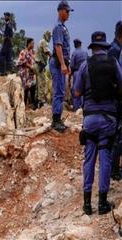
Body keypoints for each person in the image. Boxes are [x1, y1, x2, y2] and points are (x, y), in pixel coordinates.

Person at [74, 31, 122, 215]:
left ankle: (87, 204)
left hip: (90, 119)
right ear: (105, 48)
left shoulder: (85, 66)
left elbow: (77, 93)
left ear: (93, 48)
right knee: (105, 159)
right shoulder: (114, 63)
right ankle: (102, 203)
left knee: (89, 159)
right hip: (109, 118)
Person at [50, 0, 73, 133]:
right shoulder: (58, 27)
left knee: (62, 91)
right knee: (58, 91)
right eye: (67, 11)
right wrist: (63, 64)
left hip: (62, 62)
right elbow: (58, 46)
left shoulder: (63, 26)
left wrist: (66, 64)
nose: (69, 13)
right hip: (58, 62)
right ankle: (55, 120)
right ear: (60, 11)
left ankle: (58, 118)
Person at [108, 21, 122, 181]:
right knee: (118, 133)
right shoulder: (115, 50)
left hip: (115, 97)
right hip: (117, 99)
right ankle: (114, 169)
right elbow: (116, 78)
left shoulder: (114, 49)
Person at [17, 38, 37, 108]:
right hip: (25, 73)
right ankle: (24, 104)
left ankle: (33, 104)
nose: (33, 45)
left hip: (31, 74)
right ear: (29, 44)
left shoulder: (33, 52)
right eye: (32, 43)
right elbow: (22, 62)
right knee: (26, 88)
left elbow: (35, 60)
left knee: (33, 87)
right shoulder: (23, 52)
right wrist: (31, 67)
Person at [34, 30, 52, 108]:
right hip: (40, 64)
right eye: (49, 36)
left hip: (39, 64)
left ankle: (36, 100)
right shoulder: (44, 42)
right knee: (42, 83)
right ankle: (40, 102)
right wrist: (53, 56)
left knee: (39, 83)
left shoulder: (41, 41)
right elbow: (47, 52)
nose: (50, 37)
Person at [70, 39, 88, 111]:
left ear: (75, 45)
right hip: (86, 72)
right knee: (84, 90)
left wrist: (70, 75)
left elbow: (71, 65)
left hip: (77, 72)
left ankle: (76, 107)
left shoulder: (74, 53)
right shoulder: (85, 52)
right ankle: (83, 107)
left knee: (76, 89)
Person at [0, 12, 14, 76]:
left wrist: (5, 38)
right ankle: (9, 71)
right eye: (4, 16)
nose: (5, 17)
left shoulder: (9, 24)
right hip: (8, 42)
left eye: (6, 16)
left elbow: (10, 34)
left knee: (1, 55)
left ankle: (2, 72)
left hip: (7, 41)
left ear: (8, 17)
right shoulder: (8, 24)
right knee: (8, 57)